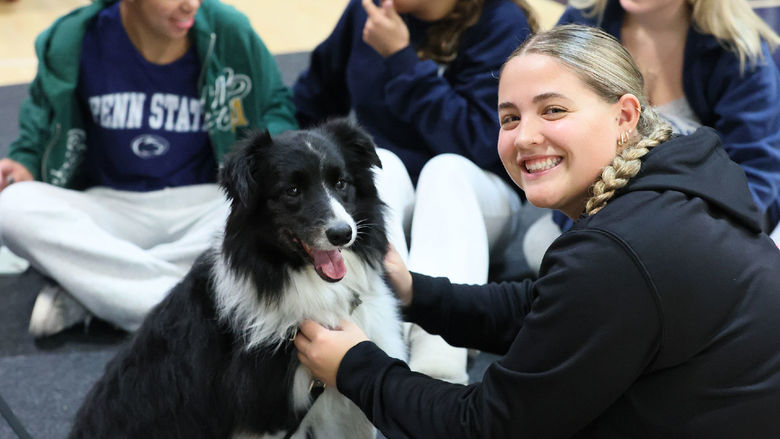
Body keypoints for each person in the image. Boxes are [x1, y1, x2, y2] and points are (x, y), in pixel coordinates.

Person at [294, 25, 780, 438]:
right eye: (510, 118)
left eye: (553, 110)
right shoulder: (671, 188)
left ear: (625, 117)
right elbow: (546, 309)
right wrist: (416, 290)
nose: (524, 136)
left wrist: (356, 366)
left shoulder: (619, 252)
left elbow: (488, 426)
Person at [0, 0, 297, 337]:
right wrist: (24, 162)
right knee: (12, 205)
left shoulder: (228, 29)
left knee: (367, 175)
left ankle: (95, 293)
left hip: (206, 205)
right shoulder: (74, 37)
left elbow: (274, 106)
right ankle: (199, 307)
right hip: (111, 206)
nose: (191, 5)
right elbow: (40, 123)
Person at [292, 0, 539, 384]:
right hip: (397, 195)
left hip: (476, 189)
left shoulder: (499, 19)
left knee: (445, 170)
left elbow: (480, 140)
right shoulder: (367, 11)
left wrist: (402, 60)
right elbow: (313, 101)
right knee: (380, 164)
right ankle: (375, 341)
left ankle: (438, 361)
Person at [522, 0, 780, 273]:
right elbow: (559, 155)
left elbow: (756, 172)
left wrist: (683, 231)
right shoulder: (581, 27)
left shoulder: (737, 47)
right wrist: (593, 225)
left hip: (700, 217)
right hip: (600, 208)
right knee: (542, 246)